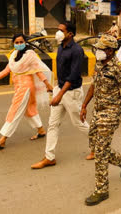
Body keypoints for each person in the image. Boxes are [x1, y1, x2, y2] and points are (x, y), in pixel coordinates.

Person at [80, 34, 121, 206]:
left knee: (101, 153)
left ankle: (101, 190)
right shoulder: (98, 64)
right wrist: (84, 105)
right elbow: (94, 85)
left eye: (101, 49)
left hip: (110, 114)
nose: (97, 51)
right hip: (97, 111)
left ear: (110, 51)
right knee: (96, 148)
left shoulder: (119, 69)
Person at [31, 22, 89, 169]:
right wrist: (55, 88)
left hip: (71, 92)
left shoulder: (77, 50)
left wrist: (59, 95)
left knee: (79, 123)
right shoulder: (60, 47)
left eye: (61, 30)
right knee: (53, 124)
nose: (58, 33)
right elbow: (62, 71)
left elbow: (74, 75)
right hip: (61, 89)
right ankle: (49, 157)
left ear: (70, 34)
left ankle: (99, 144)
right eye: (58, 29)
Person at [0, 33, 53, 150]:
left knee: (14, 111)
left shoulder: (30, 55)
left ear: (25, 42)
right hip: (19, 86)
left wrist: (47, 84)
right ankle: (41, 130)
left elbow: (37, 70)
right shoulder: (14, 55)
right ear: (14, 44)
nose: (19, 44)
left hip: (25, 87)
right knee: (29, 109)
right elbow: (8, 69)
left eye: (21, 42)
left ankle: (2, 140)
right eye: (17, 43)